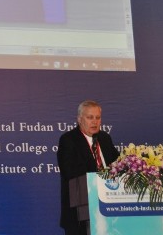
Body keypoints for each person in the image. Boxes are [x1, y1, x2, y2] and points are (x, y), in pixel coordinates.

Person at [57, 100, 119, 235]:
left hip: (109, 210)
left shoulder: (105, 138)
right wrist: (99, 175)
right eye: (90, 117)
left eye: (98, 117)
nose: (95, 122)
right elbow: (69, 171)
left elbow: (118, 163)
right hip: (79, 213)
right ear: (79, 119)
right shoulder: (68, 140)